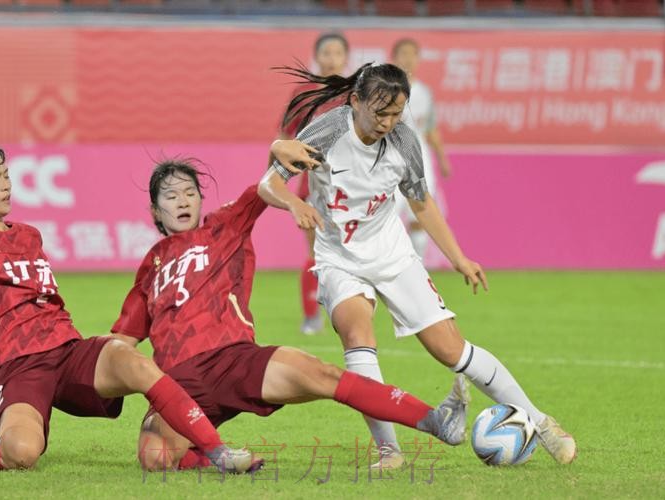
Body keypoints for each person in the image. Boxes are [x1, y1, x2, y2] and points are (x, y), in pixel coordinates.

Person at [257, 63, 577, 468]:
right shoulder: (328, 132)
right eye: (380, 113)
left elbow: (421, 203)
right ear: (355, 102)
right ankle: (389, 451)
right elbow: (268, 184)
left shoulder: (404, 142)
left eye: (396, 114)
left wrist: (458, 257)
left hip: (393, 254)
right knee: (357, 336)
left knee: (451, 350)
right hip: (339, 260)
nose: (388, 123)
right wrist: (294, 202)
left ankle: (540, 422)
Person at [109, 156, 470, 472]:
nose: (183, 201)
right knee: (153, 457)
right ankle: (216, 460)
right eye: (171, 196)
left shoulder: (224, 224)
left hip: (234, 361)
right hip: (178, 383)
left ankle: (437, 420)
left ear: (201, 199)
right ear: (155, 211)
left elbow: (266, 186)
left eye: (190, 192)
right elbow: (122, 342)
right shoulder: (150, 267)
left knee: (324, 375)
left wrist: (285, 171)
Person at [0, 142, 256, 474]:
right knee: (22, 453)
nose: (6, 186)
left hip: (68, 351)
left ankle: (218, 451)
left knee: (135, 362)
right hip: (20, 367)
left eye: (6, 176)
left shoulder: (29, 235)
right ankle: (0, 446)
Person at [276, 32, 350, 335]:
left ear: (346, 58)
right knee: (316, 251)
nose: (332, 58)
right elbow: (285, 136)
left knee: (347, 254)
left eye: (337, 53)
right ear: (316, 56)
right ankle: (311, 316)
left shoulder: (354, 93)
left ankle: (343, 312)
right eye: (326, 52)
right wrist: (278, 176)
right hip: (313, 185)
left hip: (350, 185)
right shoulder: (304, 92)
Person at [391, 37, 453, 261]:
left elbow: (430, 129)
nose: (408, 59)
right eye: (403, 53)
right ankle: (388, 265)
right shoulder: (386, 90)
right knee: (389, 213)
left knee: (419, 213)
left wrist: (442, 158)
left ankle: (418, 266)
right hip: (392, 155)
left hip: (420, 156)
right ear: (394, 58)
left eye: (413, 54)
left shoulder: (424, 92)